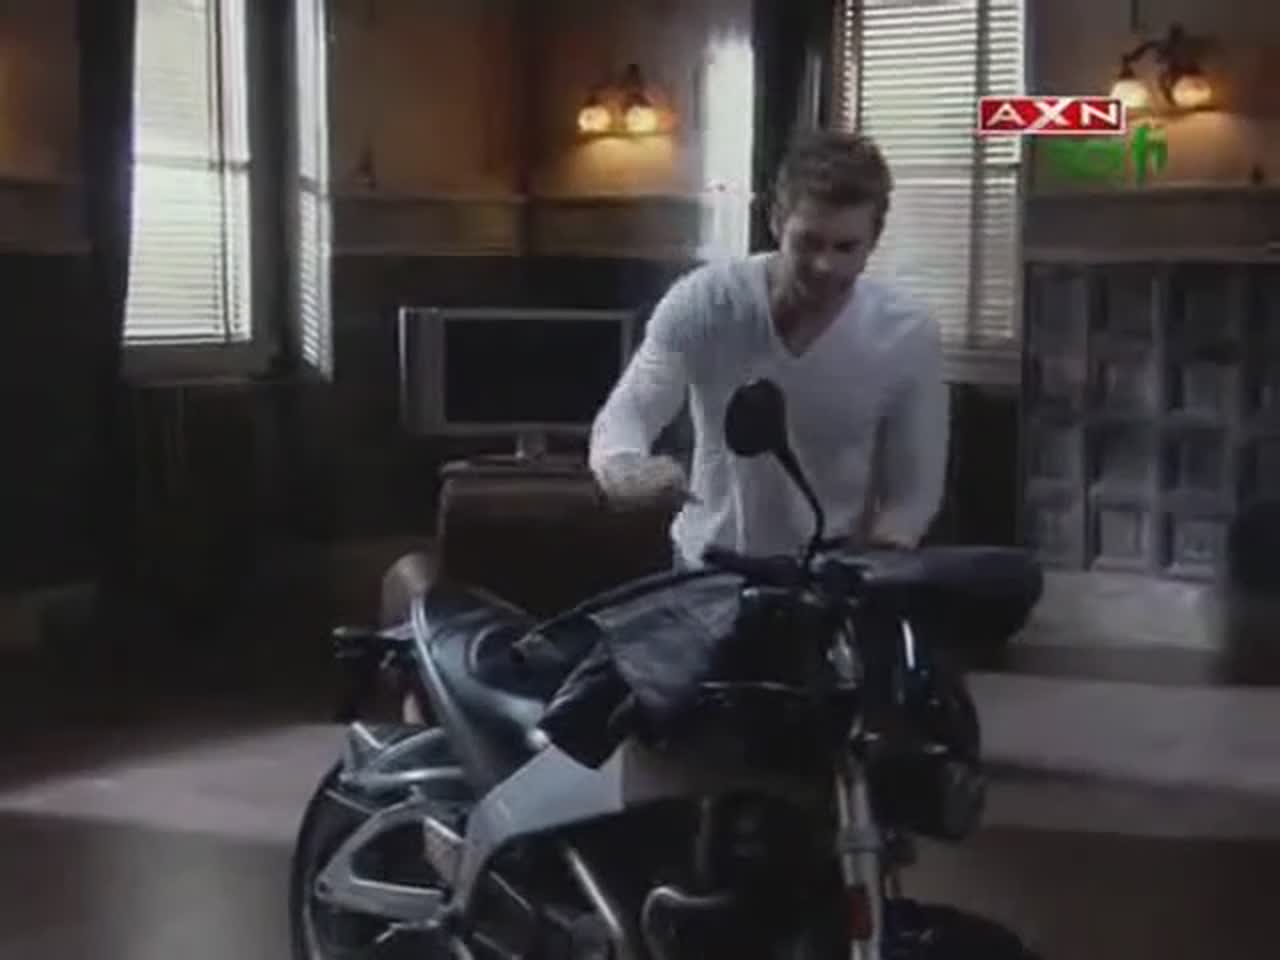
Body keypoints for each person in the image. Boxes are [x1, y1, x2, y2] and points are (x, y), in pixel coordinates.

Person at [589, 129, 949, 567]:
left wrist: (871, 569)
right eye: (809, 242)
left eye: (846, 247)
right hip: (707, 564)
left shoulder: (907, 333)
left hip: (829, 570)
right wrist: (625, 468)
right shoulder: (707, 301)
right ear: (777, 222)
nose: (825, 265)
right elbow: (628, 414)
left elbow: (913, 496)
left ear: (874, 239)